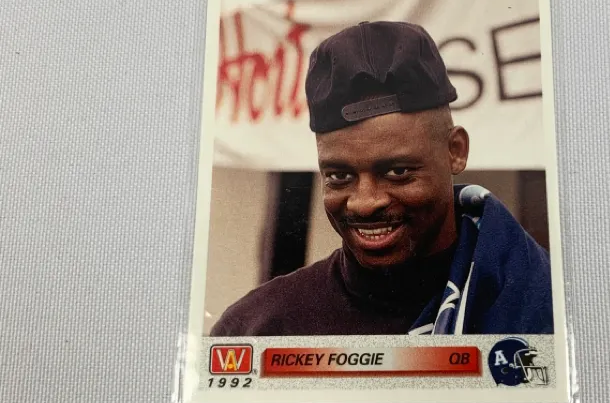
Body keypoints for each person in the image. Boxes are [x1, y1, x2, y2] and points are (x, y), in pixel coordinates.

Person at [210, 20, 553, 337]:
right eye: (339, 176)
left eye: (397, 172)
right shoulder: (256, 330)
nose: (365, 203)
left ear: (455, 151)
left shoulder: (545, 302)